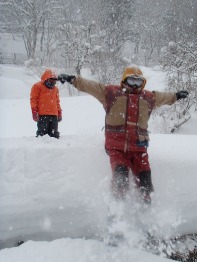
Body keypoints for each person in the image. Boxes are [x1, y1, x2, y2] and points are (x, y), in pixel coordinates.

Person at [58, 65, 188, 203]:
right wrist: (73, 79)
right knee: (121, 178)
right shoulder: (111, 93)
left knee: (146, 181)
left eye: (138, 82)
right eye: (132, 81)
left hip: (139, 148)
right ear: (124, 80)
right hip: (116, 147)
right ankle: (116, 210)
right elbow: (91, 86)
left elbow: (164, 97)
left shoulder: (149, 97)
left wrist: (176, 96)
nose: (135, 85)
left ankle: (146, 210)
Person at [30, 69, 62, 139]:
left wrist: (59, 112)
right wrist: (34, 111)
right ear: (46, 78)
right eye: (51, 80)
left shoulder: (55, 89)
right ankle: (41, 149)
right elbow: (33, 99)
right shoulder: (37, 86)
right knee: (42, 136)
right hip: (42, 115)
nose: (53, 82)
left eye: (54, 80)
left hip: (54, 115)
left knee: (54, 136)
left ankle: (55, 149)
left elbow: (57, 101)